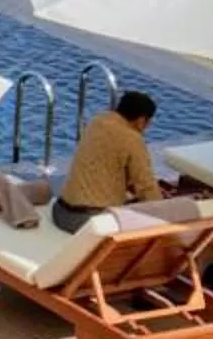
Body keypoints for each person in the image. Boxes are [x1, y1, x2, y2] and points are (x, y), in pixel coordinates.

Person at [52, 90, 161, 234]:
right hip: (88, 222)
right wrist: (163, 211)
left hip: (60, 211)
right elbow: (146, 186)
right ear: (141, 120)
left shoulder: (97, 121)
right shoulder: (132, 139)